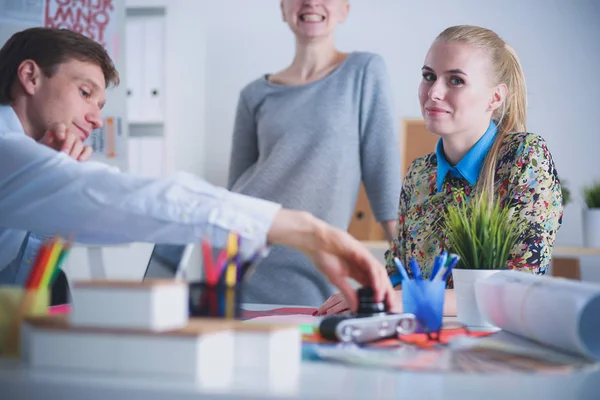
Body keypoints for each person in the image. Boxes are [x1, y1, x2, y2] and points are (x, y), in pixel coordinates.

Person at [0, 26, 396, 313]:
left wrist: (53, 169)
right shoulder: (7, 148)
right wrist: (304, 228)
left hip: (278, 249)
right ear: (30, 76)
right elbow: (125, 197)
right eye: (85, 93)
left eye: (100, 105)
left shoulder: (364, 70)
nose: (94, 119)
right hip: (263, 247)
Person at [317, 24, 563, 316]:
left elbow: (519, 284)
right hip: (420, 342)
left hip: (494, 346)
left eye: (456, 80)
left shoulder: (525, 158)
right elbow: (399, 275)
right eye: (428, 76)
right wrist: (373, 294)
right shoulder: (419, 173)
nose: (433, 92)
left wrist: (400, 298)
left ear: (495, 98)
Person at [227, 0, 401, 306]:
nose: (310, 2)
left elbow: (382, 167)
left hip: (315, 266)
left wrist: (407, 266)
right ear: (283, 9)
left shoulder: (364, 71)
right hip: (248, 263)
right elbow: (234, 197)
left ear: (344, 9)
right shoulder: (253, 94)